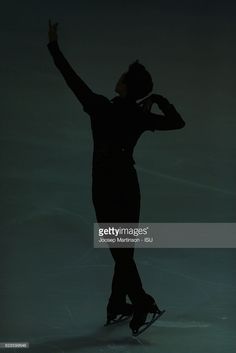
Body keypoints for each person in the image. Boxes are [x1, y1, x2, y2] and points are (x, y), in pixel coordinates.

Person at [47, 20, 185, 333]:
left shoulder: (99, 107)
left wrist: (54, 47)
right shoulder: (138, 115)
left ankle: (138, 303)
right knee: (124, 251)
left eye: (123, 76)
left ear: (125, 85)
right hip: (128, 186)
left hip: (105, 188)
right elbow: (177, 123)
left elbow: (72, 79)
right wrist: (157, 100)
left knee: (121, 253)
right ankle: (121, 303)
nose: (119, 77)